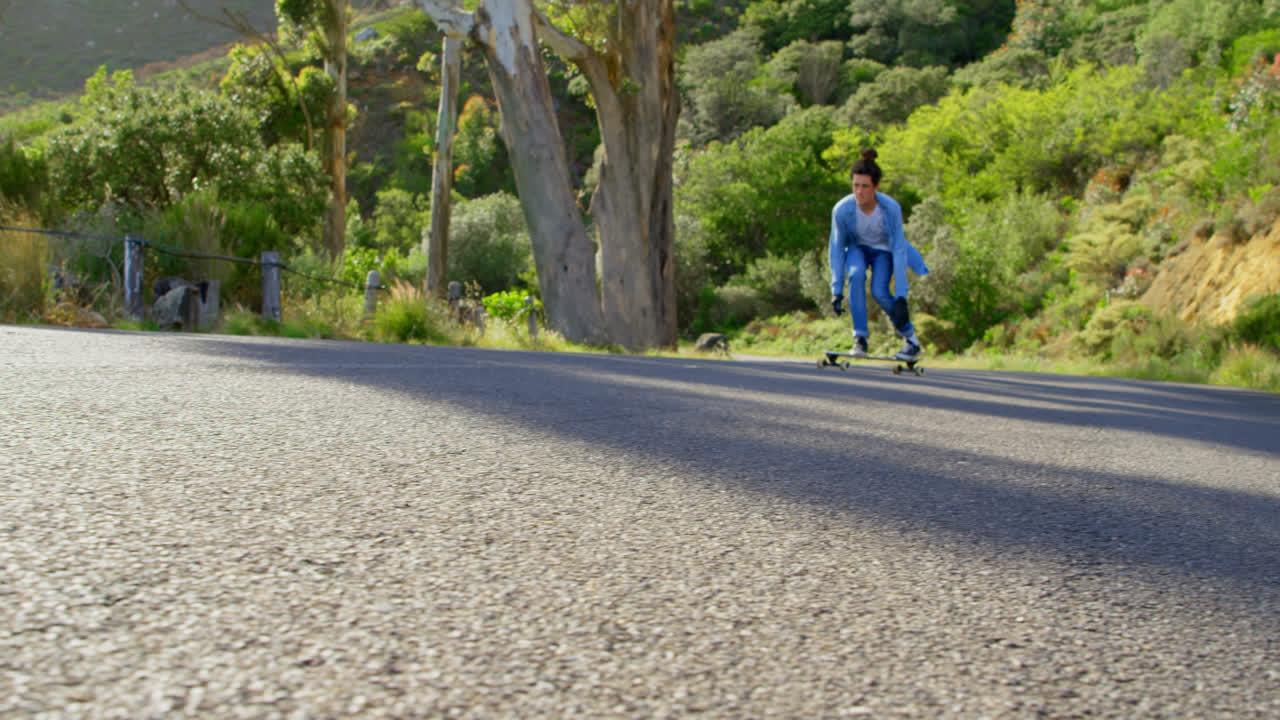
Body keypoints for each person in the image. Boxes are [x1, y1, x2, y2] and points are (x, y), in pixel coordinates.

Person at [828, 148, 929, 361]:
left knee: (880, 292)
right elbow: (836, 249)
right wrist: (836, 289)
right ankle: (860, 338)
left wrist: (901, 295)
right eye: (855, 185)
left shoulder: (890, 208)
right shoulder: (842, 210)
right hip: (857, 248)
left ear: (876, 187)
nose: (859, 191)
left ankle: (910, 339)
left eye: (865, 186)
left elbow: (899, 249)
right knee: (855, 275)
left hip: (884, 251)